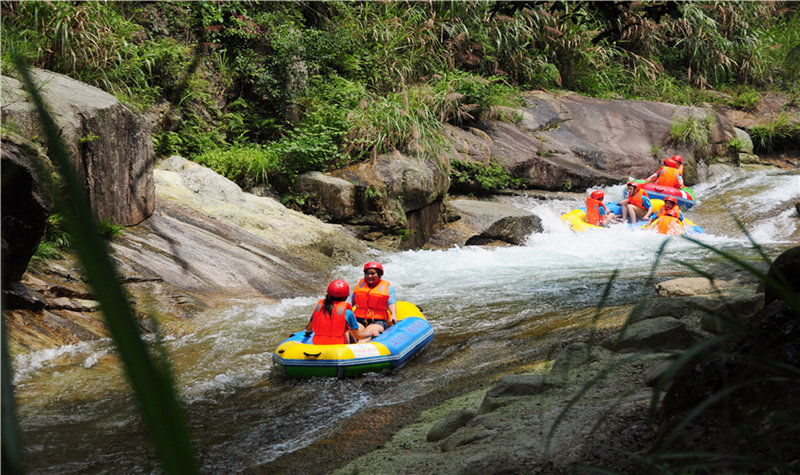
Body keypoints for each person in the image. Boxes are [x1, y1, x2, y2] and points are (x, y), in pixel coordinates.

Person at [304, 279, 375, 344]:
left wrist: (308, 332)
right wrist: (370, 334)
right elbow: (358, 336)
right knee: (355, 335)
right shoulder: (347, 313)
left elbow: (309, 328)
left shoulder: (319, 308)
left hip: (318, 343)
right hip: (338, 347)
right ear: (346, 296)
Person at [351, 261, 397, 337]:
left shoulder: (388, 287)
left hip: (377, 321)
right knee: (354, 331)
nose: (369, 276)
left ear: (379, 274)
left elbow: (391, 302)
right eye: (367, 274)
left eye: (373, 274)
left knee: (371, 332)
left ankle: (359, 345)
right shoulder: (360, 286)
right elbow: (352, 302)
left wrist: (393, 315)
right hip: (359, 319)